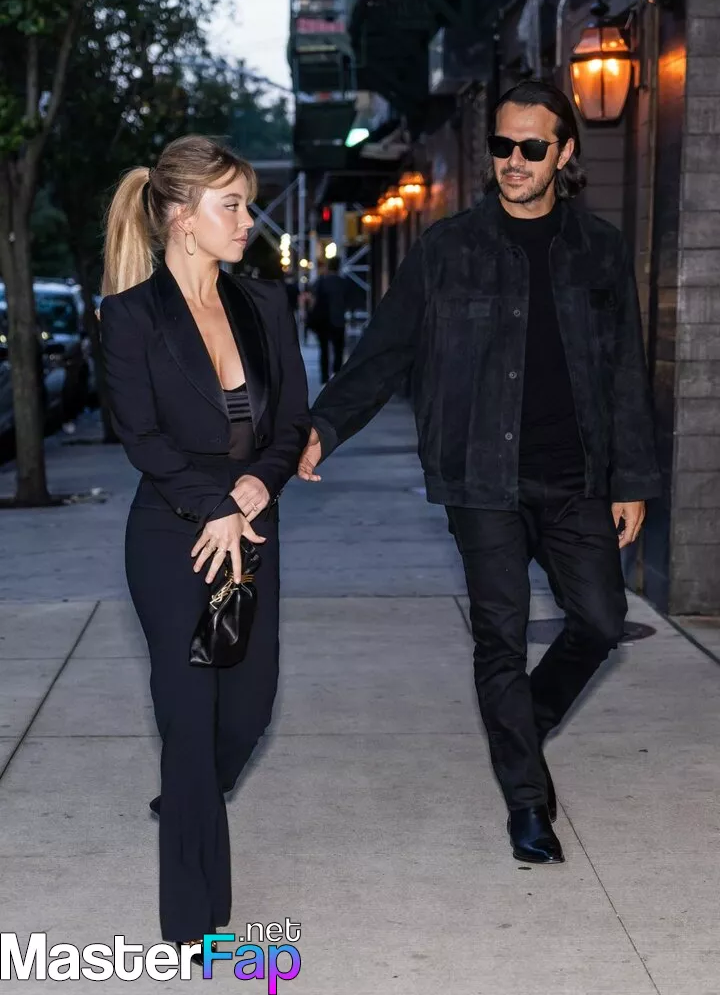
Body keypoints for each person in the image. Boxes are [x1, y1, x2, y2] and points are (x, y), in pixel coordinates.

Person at [298, 81, 660, 865]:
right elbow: (385, 352)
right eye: (502, 145)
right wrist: (323, 427)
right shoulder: (447, 250)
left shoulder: (598, 249)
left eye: (532, 147)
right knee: (499, 636)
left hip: (576, 479)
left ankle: (520, 724)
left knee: (601, 621)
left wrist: (631, 478)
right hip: (482, 478)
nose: (514, 161)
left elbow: (624, 371)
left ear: (565, 153)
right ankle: (527, 803)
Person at [100, 135, 310, 954]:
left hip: (251, 530)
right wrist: (212, 504)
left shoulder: (265, 306)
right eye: (232, 205)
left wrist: (260, 483)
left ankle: (188, 798)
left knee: (248, 708)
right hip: (173, 537)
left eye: (246, 204)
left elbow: (290, 422)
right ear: (184, 219)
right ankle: (190, 925)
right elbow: (141, 438)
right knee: (188, 719)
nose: (248, 220)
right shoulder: (130, 317)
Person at [309, 256, 348, 383]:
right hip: (339, 320)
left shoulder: (321, 281)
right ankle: (337, 375)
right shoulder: (343, 282)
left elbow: (312, 298)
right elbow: (349, 301)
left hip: (323, 320)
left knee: (324, 350)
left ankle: (324, 377)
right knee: (338, 350)